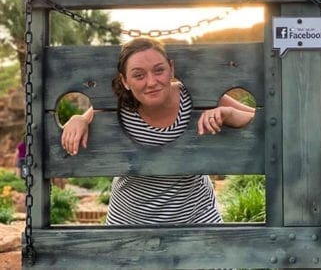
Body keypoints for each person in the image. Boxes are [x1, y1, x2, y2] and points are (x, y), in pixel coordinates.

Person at [61, 37, 255, 225]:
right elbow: (84, 119)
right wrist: (78, 119)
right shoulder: (117, 106)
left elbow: (264, 121)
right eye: (138, 75)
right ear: (125, 81)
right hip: (129, 222)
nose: (151, 82)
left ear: (171, 68)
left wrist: (229, 114)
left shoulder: (196, 96)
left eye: (159, 70)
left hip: (197, 219)